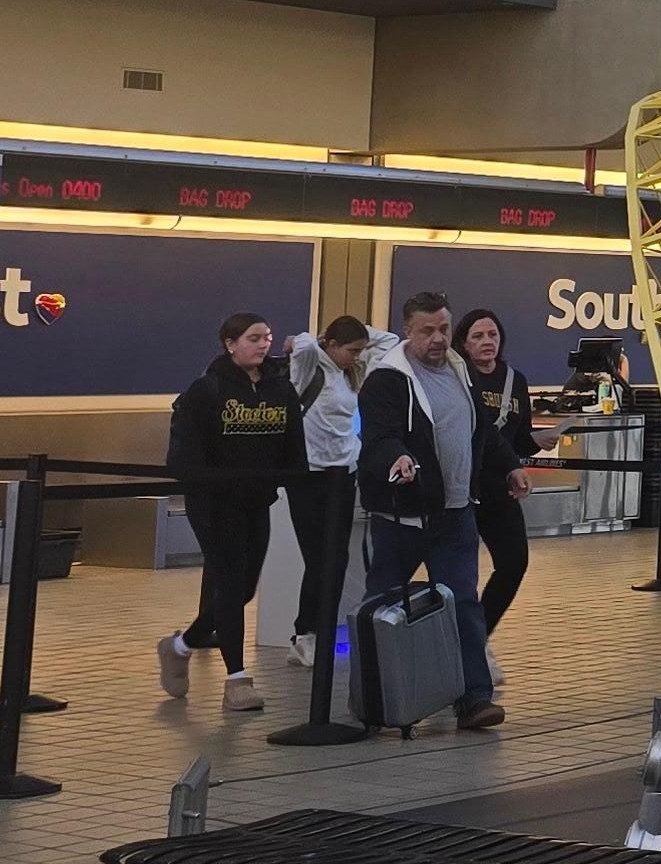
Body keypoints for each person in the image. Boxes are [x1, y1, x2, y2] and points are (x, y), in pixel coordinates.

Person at [356, 289, 500, 729]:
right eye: (427, 331)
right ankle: (374, 702)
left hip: (456, 513)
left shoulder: (459, 370)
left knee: (463, 604)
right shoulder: (387, 379)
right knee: (383, 604)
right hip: (403, 519)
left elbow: (480, 430)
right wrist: (396, 457)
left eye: (443, 329)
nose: (438, 339)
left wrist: (511, 466)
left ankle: (474, 699)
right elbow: (378, 436)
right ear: (408, 331)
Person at [160, 312, 304, 710]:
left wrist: (298, 480)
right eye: (253, 338)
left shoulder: (280, 389)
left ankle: (180, 646)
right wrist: (207, 480)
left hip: (257, 501)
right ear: (230, 343)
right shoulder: (206, 390)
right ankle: (237, 680)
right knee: (228, 583)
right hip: (214, 503)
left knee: (242, 590)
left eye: (267, 337)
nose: (263, 344)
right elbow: (184, 454)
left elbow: (293, 444)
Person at [284, 312, 369, 669]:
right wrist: (303, 338)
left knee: (337, 559)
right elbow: (303, 345)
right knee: (318, 557)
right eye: (351, 350)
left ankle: (322, 630)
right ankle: (304, 633)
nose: (357, 357)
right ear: (331, 345)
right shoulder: (310, 365)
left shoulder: (348, 374)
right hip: (309, 474)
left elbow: (388, 341)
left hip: (342, 473)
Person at [455, 308, 537, 671]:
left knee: (514, 562)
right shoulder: (458, 376)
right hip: (463, 484)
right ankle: (462, 646)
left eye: (493, 335)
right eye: (478, 336)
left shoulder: (514, 380)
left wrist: (540, 442)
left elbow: (521, 436)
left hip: (500, 486)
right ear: (463, 343)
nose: (487, 342)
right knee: (461, 571)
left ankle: (478, 638)